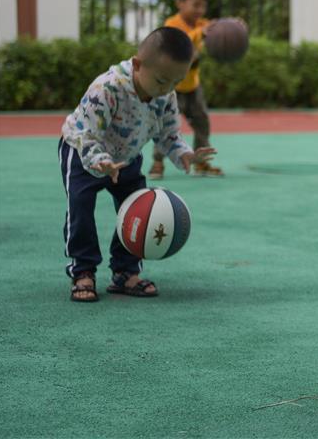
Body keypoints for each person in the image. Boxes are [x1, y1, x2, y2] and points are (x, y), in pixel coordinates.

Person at [59, 27, 217, 302]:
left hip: (128, 157)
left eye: (176, 82)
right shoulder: (106, 89)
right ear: (137, 64)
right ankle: (83, 271)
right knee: (80, 208)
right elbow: (86, 135)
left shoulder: (165, 95)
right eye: (161, 80)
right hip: (84, 152)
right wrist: (102, 163)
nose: (167, 89)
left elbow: (167, 135)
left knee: (137, 210)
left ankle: (125, 272)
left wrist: (185, 155)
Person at [148, 0, 223, 179]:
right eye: (196, 4)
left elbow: (218, 29)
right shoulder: (172, 24)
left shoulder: (201, 24)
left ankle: (201, 163)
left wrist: (233, 26)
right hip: (172, 88)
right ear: (179, 2)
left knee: (202, 123)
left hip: (193, 87)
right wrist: (201, 32)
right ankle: (157, 162)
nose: (200, 10)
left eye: (204, 6)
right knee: (166, 126)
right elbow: (182, 40)